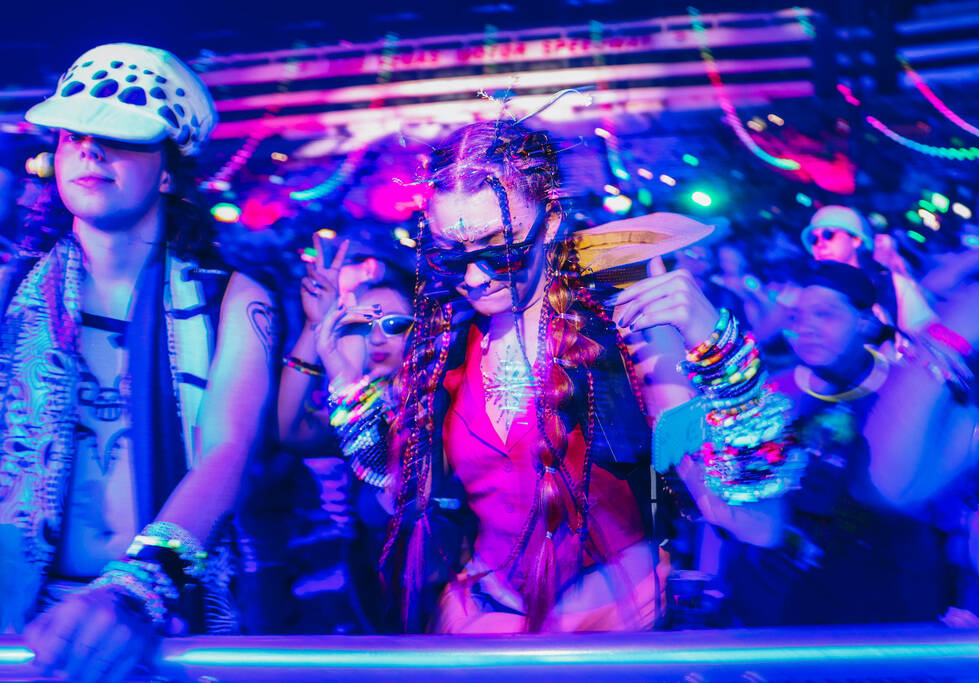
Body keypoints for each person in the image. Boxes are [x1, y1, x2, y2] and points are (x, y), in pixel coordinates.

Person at [378, 119, 751, 634]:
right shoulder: (446, 349)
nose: (472, 277)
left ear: (551, 222)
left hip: (616, 640)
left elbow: (747, 518)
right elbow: (393, 497)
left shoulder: (626, 331)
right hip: (485, 637)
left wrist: (720, 348)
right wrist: (351, 387)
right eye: (449, 254)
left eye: (498, 250)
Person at [0, 43, 277, 682]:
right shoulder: (10, 291)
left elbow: (225, 453)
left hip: (166, 622)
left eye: (120, 138)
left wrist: (132, 594)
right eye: (75, 136)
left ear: (169, 171)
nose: (90, 150)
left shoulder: (232, 300)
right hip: (17, 625)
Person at [711, 261, 951, 625]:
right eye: (797, 317)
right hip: (775, 606)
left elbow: (933, 505)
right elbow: (739, 499)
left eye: (824, 315)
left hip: (881, 608)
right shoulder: (772, 393)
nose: (806, 328)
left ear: (866, 322)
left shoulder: (907, 394)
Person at [277, 234, 413, 633]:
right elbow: (291, 430)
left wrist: (341, 372)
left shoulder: (439, 405)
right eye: (363, 324)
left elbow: (385, 459)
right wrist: (313, 326)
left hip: (438, 608)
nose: (376, 337)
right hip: (372, 605)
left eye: (394, 324)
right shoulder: (354, 405)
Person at [800, 204, 935, 335]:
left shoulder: (890, 284)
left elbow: (926, 336)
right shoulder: (813, 294)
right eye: (814, 239)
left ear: (856, 240)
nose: (820, 244)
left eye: (828, 234)